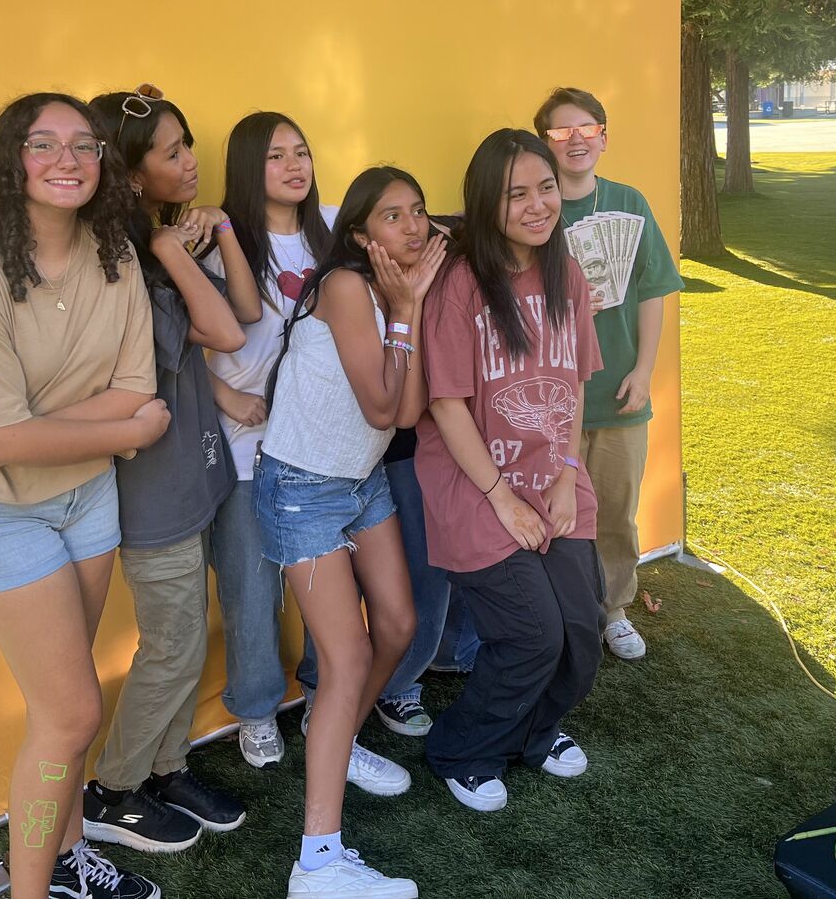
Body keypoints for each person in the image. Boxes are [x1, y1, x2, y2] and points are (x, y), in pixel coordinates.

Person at [0, 93, 168, 899]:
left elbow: (137, 386)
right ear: (11, 162)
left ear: (104, 162)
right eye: (43, 144)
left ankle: (61, 866)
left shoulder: (116, 256)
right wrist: (126, 429)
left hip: (85, 497)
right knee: (70, 713)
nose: (67, 160)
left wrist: (34, 425)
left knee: (61, 709)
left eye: (84, 146)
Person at [79, 85, 260, 854]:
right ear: (128, 173)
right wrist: (164, 248)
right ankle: (112, 790)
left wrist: (178, 244)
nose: (192, 163)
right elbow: (221, 328)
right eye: (174, 151)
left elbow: (222, 329)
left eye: (189, 145)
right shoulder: (121, 265)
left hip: (199, 471)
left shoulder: (151, 250)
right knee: (175, 644)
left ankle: (165, 766)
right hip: (153, 494)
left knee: (187, 637)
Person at [257, 166, 445, 898]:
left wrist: (413, 306)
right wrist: (403, 306)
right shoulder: (344, 287)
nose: (413, 227)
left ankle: (333, 736)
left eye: (418, 212)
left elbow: (408, 412)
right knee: (348, 656)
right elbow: (379, 406)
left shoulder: (400, 294)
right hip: (301, 487)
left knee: (399, 624)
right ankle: (318, 861)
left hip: (358, 480)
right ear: (362, 235)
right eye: (392, 216)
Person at [415, 128, 603, 813]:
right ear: (486, 204)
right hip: (475, 486)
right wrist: (503, 498)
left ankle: (532, 733)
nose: (536, 204)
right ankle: (462, 749)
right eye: (516, 193)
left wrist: (562, 473)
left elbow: (575, 385)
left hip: (553, 476)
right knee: (532, 634)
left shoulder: (568, 273)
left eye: (545, 188)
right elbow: (446, 403)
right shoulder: (460, 284)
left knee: (581, 635)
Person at [203, 111, 335, 768]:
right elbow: (167, 338)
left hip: (316, 447)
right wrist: (226, 396)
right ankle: (256, 710)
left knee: (324, 586)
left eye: (302, 152)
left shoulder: (331, 231)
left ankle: (323, 691)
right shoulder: (215, 242)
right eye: (276, 155)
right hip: (240, 447)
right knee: (251, 588)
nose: (294, 165)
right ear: (247, 168)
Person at [535, 87, 681, 661]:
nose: (576, 139)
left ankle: (615, 607)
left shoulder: (629, 202)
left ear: (603, 136)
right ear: (543, 142)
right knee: (554, 512)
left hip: (620, 391)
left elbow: (651, 291)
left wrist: (644, 371)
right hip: (552, 398)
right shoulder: (533, 211)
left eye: (587, 127)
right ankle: (561, 615)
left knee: (616, 512)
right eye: (561, 130)